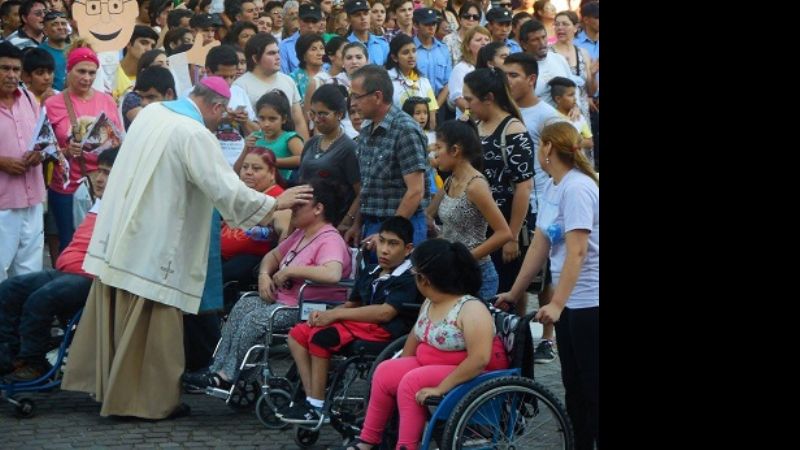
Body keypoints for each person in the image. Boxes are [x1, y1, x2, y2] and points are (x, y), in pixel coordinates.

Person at [60, 77, 315, 420]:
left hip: (126, 232)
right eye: (220, 115)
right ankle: (145, 401)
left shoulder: (151, 114)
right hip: (159, 244)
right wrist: (275, 202)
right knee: (155, 323)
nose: (218, 122)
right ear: (216, 106)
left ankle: (110, 387)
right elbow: (224, 188)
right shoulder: (194, 133)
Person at [182, 177, 352, 391]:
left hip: (309, 307)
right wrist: (264, 274)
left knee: (255, 320)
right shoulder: (301, 234)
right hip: (285, 301)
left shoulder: (329, 239)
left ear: (318, 208)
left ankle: (229, 375)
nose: (292, 209)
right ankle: (217, 368)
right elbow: (272, 256)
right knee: (243, 306)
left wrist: (290, 270)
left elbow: (332, 273)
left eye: (298, 205)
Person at [343, 238, 510, 450]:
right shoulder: (431, 301)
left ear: (425, 279)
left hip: (472, 371)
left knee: (412, 381)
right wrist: (401, 366)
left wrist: (441, 388)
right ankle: (368, 439)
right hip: (433, 362)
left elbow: (479, 360)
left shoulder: (471, 309)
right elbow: (416, 335)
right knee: (385, 371)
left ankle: (406, 446)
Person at [495, 121, 598, 450]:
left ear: (549, 148)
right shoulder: (554, 187)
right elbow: (539, 247)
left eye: (540, 145)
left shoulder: (578, 187)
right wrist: (514, 293)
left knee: (593, 387)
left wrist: (556, 303)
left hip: (589, 303)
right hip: (570, 305)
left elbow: (578, 251)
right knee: (574, 387)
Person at [279, 216, 422, 424]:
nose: (384, 250)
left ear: (408, 249)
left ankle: (316, 405)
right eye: (381, 241)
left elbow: (385, 313)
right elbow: (352, 304)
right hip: (359, 324)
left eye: (393, 244)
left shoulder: (408, 277)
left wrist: (336, 315)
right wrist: (327, 313)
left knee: (322, 337)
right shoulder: (371, 271)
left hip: (387, 331)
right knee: (298, 333)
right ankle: (312, 398)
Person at [0, 148, 117, 381]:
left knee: (42, 298)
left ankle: (33, 362)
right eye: (99, 171)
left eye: (108, 173)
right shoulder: (100, 202)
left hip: (90, 278)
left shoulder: (125, 207)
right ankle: (8, 358)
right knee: (9, 289)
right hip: (66, 271)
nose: (100, 178)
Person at [463, 68, 533, 297]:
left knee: (505, 294)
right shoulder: (476, 128)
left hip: (503, 223)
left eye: (470, 99)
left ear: (489, 98)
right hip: (477, 224)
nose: (467, 105)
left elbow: (524, 187)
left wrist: (511, 237)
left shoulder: (513, 130)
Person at [44, 47, 122, 255]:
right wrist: (67, 150)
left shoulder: (106, 100)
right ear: (69, 71)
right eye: (81, 71)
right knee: (71, 244)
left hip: (103, 183)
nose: (87, 78)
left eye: (92, 72)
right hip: (67, 187)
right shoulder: (52, 104)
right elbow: (43, 148)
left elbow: (120, 138)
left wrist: (111, 144)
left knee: (101, 243)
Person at [344, 65, 430, 248]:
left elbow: (415, 191)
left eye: (357, 96)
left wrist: (387, 236)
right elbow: (368, 187)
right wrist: (357, 223)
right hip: (371, 225)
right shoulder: (367, 129)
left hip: (403, 227)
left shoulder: (405, 129)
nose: (352, 103)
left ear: (377, 97)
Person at [220, 147, 288, 311]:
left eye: (256, 169)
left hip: (253, 261)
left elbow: (285, 239)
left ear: (272, 173)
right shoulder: (244, 195)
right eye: (245, 167)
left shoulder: (281, 199)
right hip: (225, 257)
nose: (248, 172)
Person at [0, 41, 43, 282]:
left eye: (16, 70)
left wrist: (40, 153)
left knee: (30, 271)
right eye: (5, 68)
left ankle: (23, 320)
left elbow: (42, 139)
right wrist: (1, 162)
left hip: (32, 198)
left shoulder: (28, 98)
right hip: (3, 202)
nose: (11, 75)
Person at [297, 84, 360, 233]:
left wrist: (347, 222)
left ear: (339, 114)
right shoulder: (311, 143)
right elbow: (300, 187)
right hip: (306, 220)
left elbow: (360, 192)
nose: (317, 120)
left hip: (333, 222)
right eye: (313, 114)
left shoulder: (349, 148)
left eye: (323, 114)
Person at [234, 32, 310, 140]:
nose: (278, 57)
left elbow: (298, 121)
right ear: (255, 58)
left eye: (278, 52)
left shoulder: (288, 81)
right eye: (271, 53)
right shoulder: (240, 86)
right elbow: (243, 125)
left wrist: (304, 151)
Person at [242, 89, 304, 180]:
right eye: (262, 118)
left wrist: (270, 161)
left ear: (284, 119)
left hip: (281, 188)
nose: (266, 124)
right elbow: (238, 169)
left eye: (272, 119)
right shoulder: (255, 138)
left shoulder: (289, 138)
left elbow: (302, 159)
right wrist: (246, 148)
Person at [385, 34, 438, 129]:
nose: (411, 56)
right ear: (394, 57)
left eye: (414, 51)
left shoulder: (423, 81)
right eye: (405, 52)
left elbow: (432, 118)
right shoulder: (387, 81)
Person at [446, 24, 489, 119]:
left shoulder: (491, 67)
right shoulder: (461, 68)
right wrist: (473, 115)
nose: (484, 43)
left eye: (487, 40)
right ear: (467, 46)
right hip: (469, 123)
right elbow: (458, 99)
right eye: (478, 40)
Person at [548, 76, 592, 161]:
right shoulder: (551, 119)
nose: (575, 98)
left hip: (579, 164)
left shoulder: (579, 117)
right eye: (571, 95)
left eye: (574, 94)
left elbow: (590, 142)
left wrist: (575, 144)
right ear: (558, 99)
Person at [345, 0, 389, 66]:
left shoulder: (382, 43)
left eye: (366, 14)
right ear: (349, 19)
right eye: (357, 15)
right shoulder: (345, 45)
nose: (363, 18)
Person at [441, 1, 481, 65]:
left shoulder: (482, 40)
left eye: (475, 17)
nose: (471, 19)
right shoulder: (448, 40)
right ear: (459, 18)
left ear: (479, 21)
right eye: (467, 16)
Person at [37, 9, 68, 91]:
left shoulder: (75, 48)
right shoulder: (39, 53)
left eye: (64, 24)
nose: (61, 27)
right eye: (55, 24)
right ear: (45, 31)